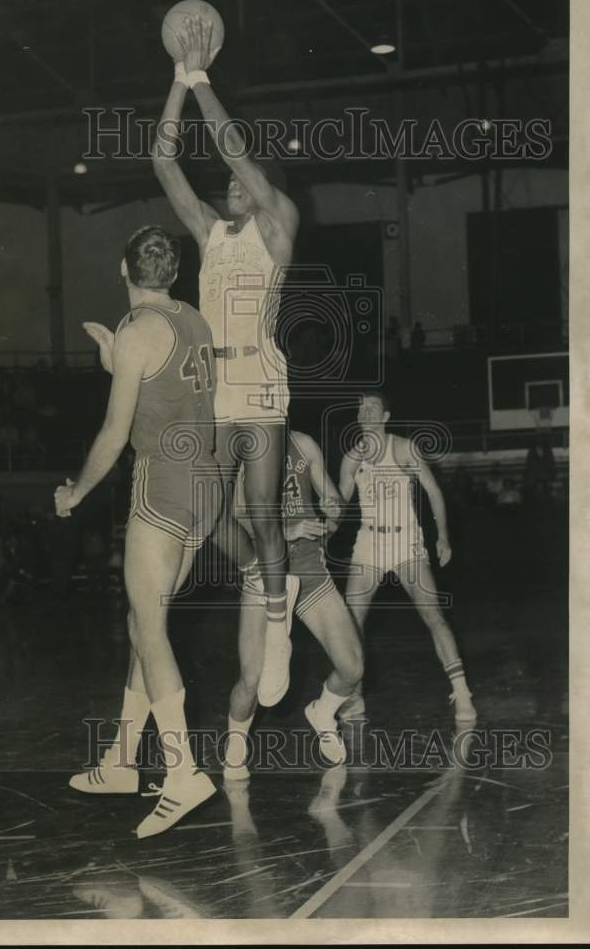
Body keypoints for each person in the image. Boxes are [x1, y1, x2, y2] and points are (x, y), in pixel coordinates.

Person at [150, 15, 300, 707]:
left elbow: (235, 153)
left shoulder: (278, 224)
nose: (234, 183)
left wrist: (205, 78)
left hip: (261, 382)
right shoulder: (210, 234)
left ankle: (278, 632)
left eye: (245, 180)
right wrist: (178, 82)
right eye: (232, 183)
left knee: (265, 514)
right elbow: (162, 163)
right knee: (208, 516)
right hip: (213, 384)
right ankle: (264, 582)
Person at [55, 225, 222, 838]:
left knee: (149, 627)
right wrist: (117, 364)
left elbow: (115, 435)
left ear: (122, 267)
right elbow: (171, 388)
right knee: (142, 623)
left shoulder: (134, 332)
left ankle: (182, 775)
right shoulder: (194, 320)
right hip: (206, 480)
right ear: (174, 272)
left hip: (163, 482)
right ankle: (122, 761)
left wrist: (74, 492)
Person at [223, 430, 364, 776]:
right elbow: (235, 522)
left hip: (309, 570)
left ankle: (323, 711)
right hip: (263, 572)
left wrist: (333, 513)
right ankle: (236, 743)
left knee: (352, 668)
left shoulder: (303, 444)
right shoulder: (244, 449)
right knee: (252, 679)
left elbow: (334, 503)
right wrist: (290, 529)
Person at [338, 390, 476, 722]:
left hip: (405, 543)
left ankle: (462, 694)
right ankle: (354, 697)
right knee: (349, 622)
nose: (366, 413)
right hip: (369, 544)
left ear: (385, 417)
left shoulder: (403, 448)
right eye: (362, 409)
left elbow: (434, 492)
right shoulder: (351, 457)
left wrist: (442, 536)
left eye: (373, 408)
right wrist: (322, 527)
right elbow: (339, 504)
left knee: (433, 616)